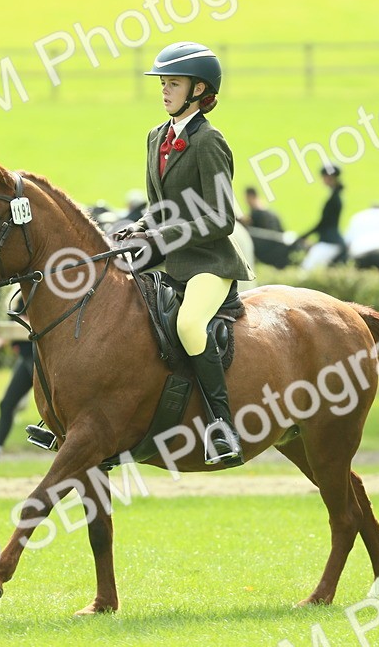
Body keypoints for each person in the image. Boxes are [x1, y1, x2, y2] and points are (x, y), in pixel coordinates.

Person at [111, 41, 255, 466]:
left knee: (191, 325)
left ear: (198, 90)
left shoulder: (209, 142)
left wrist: (165, 234)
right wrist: (137, 230)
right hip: (169, 261)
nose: (165, 90)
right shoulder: (156, 137)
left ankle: (222, 428)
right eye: (163, 83)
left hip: (209, 264)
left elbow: (222, 218)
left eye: (173, 83)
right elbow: (157, 208)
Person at [0, 339, 36, 461]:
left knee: (54, 407)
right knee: (6, 404)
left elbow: (25, 322)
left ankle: (68, 448)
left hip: (41, 356)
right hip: (28, 356)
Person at [299, 165, 346, 270]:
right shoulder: (335, 196)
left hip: (328, 242)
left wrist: (304, 235)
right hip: (330, 240)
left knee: (306, 269)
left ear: (330, 178)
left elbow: (324, 223)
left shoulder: (334, 199)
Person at [240, 187, 289, 268]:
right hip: (278, 240)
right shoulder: (266, 208)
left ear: (250, 196)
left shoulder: (256, 211)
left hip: (270, 244)